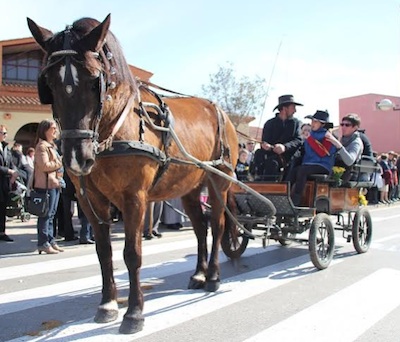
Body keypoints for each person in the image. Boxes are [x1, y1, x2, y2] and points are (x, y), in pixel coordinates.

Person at [289, 111, 337, 206]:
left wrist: (309, 139)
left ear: (322, 124)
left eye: (315, 122)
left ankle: (296, 200)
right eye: (312, 121)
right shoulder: (311, 134)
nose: (312, 124)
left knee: (302, 171)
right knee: (292, 170)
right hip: (309, 164)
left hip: (323, 165)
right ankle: (285, 195)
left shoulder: (328, 136)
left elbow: (323, 152)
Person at [33, 119, 64, 254]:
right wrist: (59, 162)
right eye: (53, 129)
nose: (55, 131)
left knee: (51, 215)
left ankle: (50, 240)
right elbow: (44, 166)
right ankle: (43, 243)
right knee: (45, 215)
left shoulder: (51, 146)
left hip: (54, 184)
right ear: (45, 130)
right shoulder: (42, 147)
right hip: (45, 185)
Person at [256, 94, 303, 180]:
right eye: (293, 107)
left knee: (272, 162)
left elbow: (298, 140)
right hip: (271, 154)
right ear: (284, 109)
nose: (295, 111)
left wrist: (284, 147)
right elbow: (265, 141)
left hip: (288, 155)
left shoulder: (296, 123)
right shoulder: (269, 123)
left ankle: (270, 188)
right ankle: (255, 179)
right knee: (258, 154)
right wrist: (267, 146)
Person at [325, 113, 364, 182]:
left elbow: (349, 161)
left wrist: (338, 145)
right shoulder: (344, 139)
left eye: (347, 125)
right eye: (342, 124)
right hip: (337, 171)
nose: (343, 127)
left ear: (355, 127)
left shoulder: (356, 142)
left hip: (348, 174)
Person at [0, 125, 19, 242]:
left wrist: (14, 174)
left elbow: (11, 162)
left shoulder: (6, 147)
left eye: (5, 133)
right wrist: (8, 171)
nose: (5, 135)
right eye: (2, 133)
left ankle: (2, 232)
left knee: (2, 208)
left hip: (4, 183)